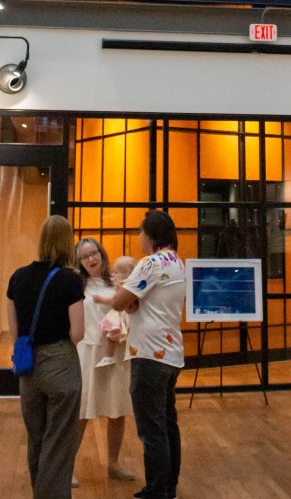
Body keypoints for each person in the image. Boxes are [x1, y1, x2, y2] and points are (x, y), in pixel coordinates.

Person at [7, 215, 85, 499]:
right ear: (67, 243)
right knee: (60, 439)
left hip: (27, 366)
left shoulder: (18, 277)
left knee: (36, 436)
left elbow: (13, 328)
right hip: (60, 362)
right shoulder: (70, 280)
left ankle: (39, 491)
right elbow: (78, 332)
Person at [111, 210, 186, 499]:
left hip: (148, 354)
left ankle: (156, 491)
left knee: (151, 429)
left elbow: (120, 302)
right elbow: (146, 302)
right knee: (167, 423)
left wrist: (118, 292)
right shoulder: (176, 262)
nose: (139, 237)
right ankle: (168, 487)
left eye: (141, 232)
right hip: (170, 353)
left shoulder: (151, 263)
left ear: (151, 234)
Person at [75, 237, 135, 482]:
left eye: (94, 253)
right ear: (79, 261)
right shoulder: (77, 285)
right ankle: (66, 466)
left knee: (117, 411)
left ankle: (113, 463)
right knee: (81, 412)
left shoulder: (116, 280)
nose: (91, 258)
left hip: (116, 353)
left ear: (102, 254)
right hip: (88, 351)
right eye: (85, 256)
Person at [93, 255, 137, 368]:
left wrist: (100, 299)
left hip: (121, 314)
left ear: (126, 273)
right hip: (128, 315)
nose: (113, 275)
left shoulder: (123, 286)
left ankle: (109, 356)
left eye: (116, 272)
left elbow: (115, 299)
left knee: (110, 334)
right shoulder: (133, 285)